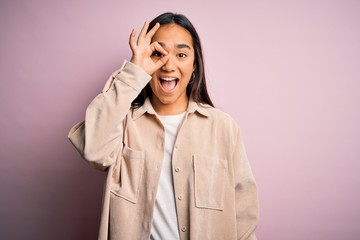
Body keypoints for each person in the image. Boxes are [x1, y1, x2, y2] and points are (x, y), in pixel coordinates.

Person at [68, 12, 259, 240]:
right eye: (158, 53)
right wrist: (134, 72)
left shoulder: (224, 128)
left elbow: (244, 216)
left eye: (181, 54)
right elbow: (93, 149)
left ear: (195, 65)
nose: (168, 65)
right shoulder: (123, 123)